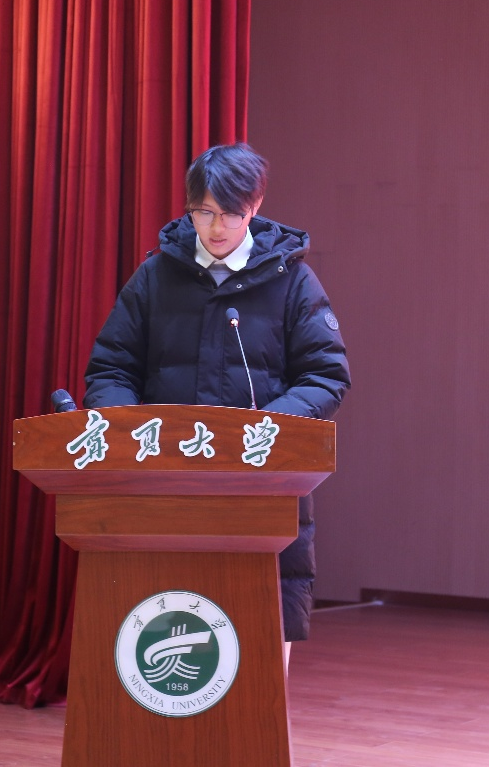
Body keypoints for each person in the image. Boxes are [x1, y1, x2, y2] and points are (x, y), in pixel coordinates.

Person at [82, 142, 351, 659]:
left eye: (230, 213)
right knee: (168, 624)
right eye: (203, 212)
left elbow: (325, 375)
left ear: (255, 205)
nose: (217, 227)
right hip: (166, 482)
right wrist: (129, 432)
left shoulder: (291, 280)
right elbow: (112, 368)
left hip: (261, 481)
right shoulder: (155, 278)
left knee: (258, 635)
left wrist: (260, 431)